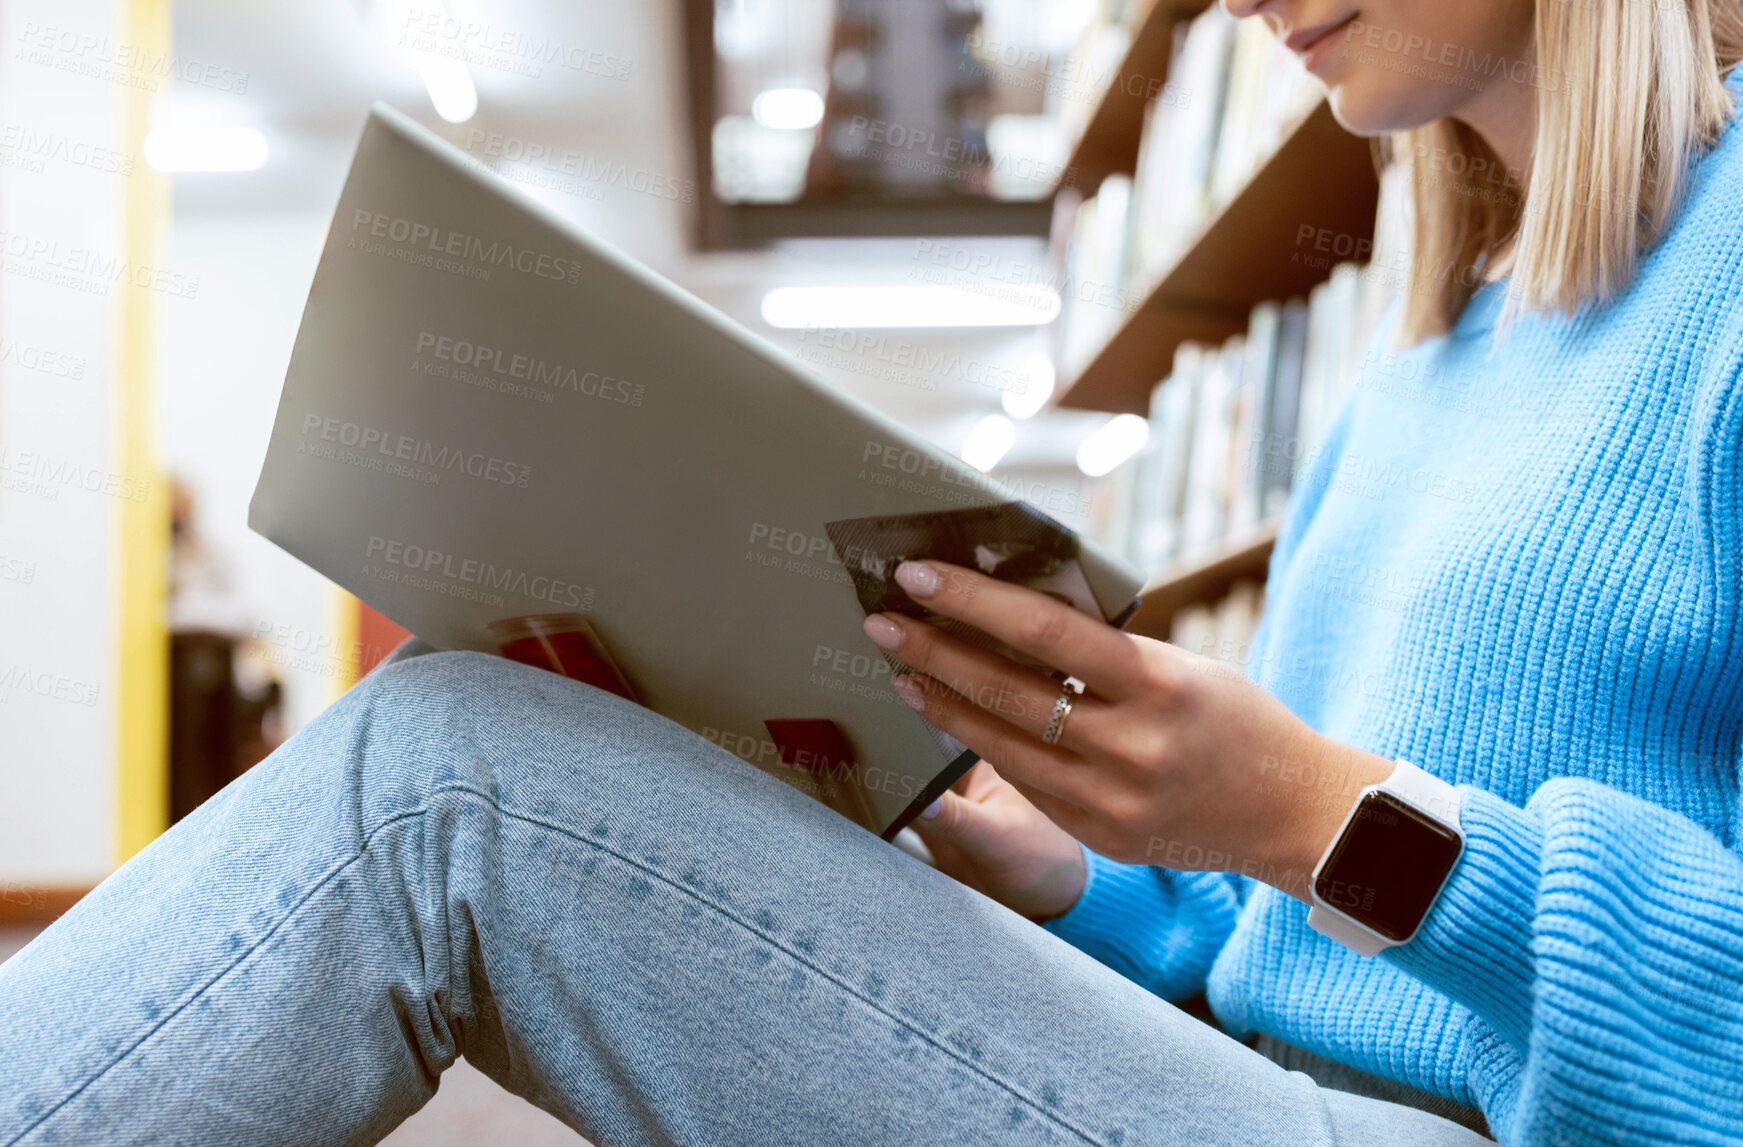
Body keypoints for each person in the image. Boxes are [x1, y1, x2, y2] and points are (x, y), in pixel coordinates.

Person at [5, 0, 1743, 1142]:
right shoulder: (1414, 373)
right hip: (1267, 1086)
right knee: (469, 729)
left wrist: (1314, 812)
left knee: (449, 781)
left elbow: (1355, 857)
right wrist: (1029, 844)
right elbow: (1268, 951)